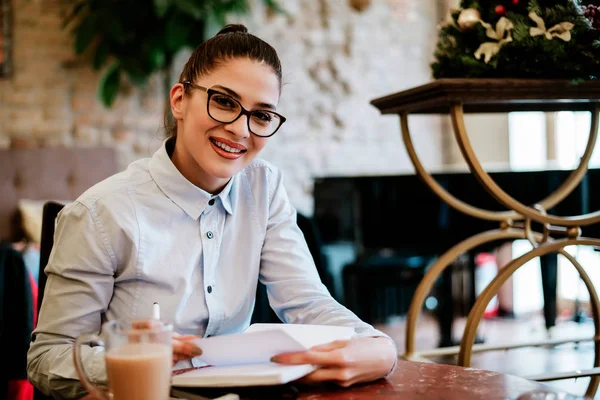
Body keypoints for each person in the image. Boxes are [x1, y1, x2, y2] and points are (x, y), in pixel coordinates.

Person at [27, 24, 397, 399]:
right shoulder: (100, 214)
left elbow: (307, 301)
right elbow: (47, 357)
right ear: (179, 100)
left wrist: (378, 344)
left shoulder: (264, 190)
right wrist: (135, 358)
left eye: (262, 116)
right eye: (223, 101)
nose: (240, 129)